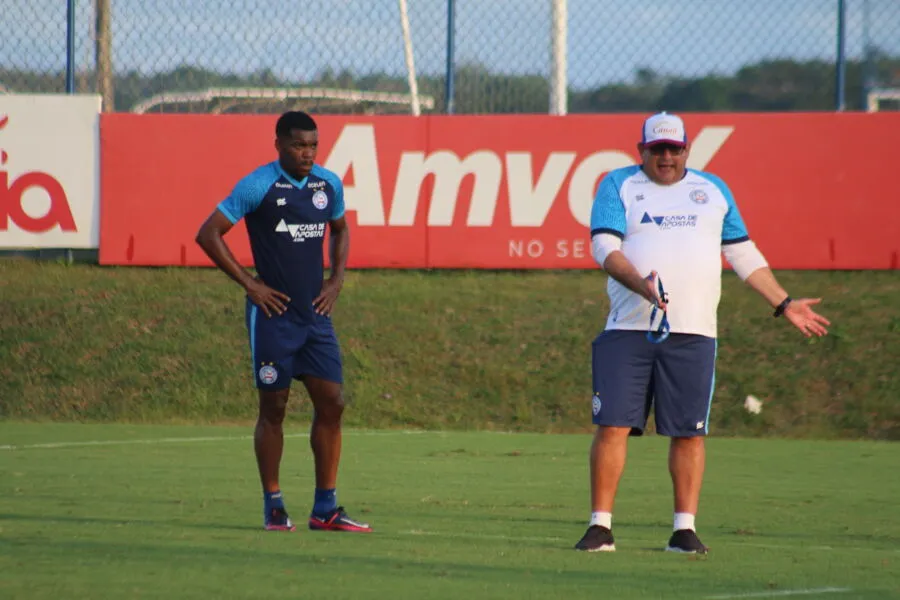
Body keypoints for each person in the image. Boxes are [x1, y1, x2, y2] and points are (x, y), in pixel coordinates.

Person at [574, 112, 830, 554]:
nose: (667, 157)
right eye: (658, 150)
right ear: (643, 152)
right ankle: (601, 526)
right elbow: (604, 248)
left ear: (687, 150)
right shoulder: (618, 185)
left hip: (694, 333)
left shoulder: (712, 191)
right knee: (612, 425)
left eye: (675, 149)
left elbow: (742, 253)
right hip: (628, 329)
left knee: (689, 432)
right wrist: (642, 286)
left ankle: (684, 530)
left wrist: (784, 303)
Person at [195, 110, 371, 533]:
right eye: (298, 145)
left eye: (312, 145)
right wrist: (250, 285)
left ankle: (324, 509)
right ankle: (274, 505)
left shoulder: (327, 184)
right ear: (279, 144)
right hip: (272, 317)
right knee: (273, 409)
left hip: (315, 318)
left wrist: (336, 279)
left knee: (333, 402)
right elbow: (208, 233)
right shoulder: (258, 185)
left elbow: (341, 230)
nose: (307, 153)